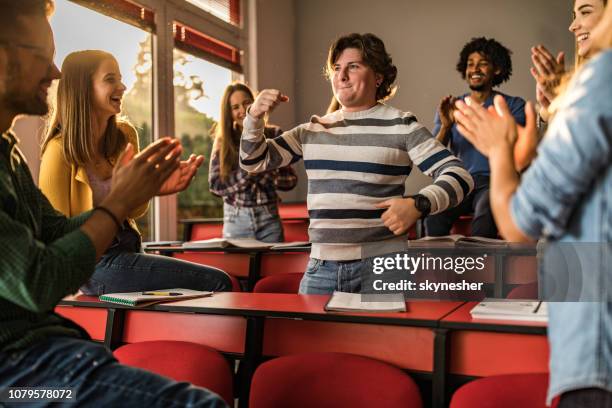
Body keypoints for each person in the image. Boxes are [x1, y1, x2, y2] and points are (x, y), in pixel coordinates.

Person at [0, 1, 225, 405]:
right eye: (42, 56)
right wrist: (117, 201)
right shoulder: (54, 149)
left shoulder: (8, 151)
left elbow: (56, 230)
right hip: (16, 377)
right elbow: (39, 279)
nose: (54, 73)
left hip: (45, 353)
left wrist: (133, 196)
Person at [452, 5, 612, 405]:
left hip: (599, 356)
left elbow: (521, 222)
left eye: (586, 10)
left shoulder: (602, 79)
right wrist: (563, 107)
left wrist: (498, 150)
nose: (573, 23)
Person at [239, 33, 474, 294]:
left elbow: (460, 176)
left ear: (378, 77)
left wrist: (418, 204)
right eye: (337, 68)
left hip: (385, 267)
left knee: (380, 337)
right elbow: (253, 160)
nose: (341, 76)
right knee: (313, 336)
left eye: (353, 66)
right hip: (321, 269)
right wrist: (254, 117)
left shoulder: (402, 125)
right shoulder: (312, 129)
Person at [39, 50, 232, 295]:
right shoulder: (58, 151)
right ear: (82, 89)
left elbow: (133, 211)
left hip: (129, 250)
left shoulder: (124, 136)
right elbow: (56, 236)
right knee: (219, 282)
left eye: (120, 78)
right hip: (93, 265)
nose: (122, 86)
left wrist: (151, 188)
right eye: (110, 79)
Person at [425, 37, 526, 239]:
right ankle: (439, 268)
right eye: (470, 64)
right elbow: (433, 159)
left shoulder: (513, 106)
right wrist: (446, 125)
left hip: (493, 181)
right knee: (433, 215)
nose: (475, 69)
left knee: (485, 214)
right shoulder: (453, 107)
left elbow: (517, 149)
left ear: (496, 69)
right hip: (460, 181)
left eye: (482, 63)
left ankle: (479, 269)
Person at [209, 82, 297, 242]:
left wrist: (262, 169)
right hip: (235, 221)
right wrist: (249, 170)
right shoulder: (223, 141)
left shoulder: (274, 133)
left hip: (269, 218)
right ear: (228, 113)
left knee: (272, 266)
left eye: (246, 103)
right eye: (235, 107)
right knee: (237, 267)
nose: (242, 110)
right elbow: (215, 186)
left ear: (255, 103)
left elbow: (290, 181)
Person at [530, 0, 607, 125]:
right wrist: (550, 108)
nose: (572, 27)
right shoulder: (580, 83)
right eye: (575, 16)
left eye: (585, 12)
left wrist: (564, 103)